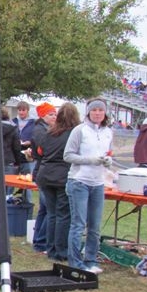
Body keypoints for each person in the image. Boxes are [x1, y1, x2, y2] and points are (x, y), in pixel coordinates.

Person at [63, 98, 113, 274]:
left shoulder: (108, 132)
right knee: (78, 224)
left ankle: (91, 259)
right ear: (89, 112)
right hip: (79, 181)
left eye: (100, 110)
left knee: (95, 225)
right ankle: (75, 262)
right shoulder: (80, 131)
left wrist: (108, 161)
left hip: (98, 182)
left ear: (105, 113)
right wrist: (90, 160)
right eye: (94, 110)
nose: (97, 113)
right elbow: (68, 155)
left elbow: (108, 152)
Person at [33, 102, 79, 261]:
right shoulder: (74, 133)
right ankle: (61, 251)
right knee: (63, 214)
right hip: (62, 176)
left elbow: (40, 151)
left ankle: (51, 248)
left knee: (52, 214)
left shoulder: (49, 132)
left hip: (45, 175)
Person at [30, 102, 57, 253]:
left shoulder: (45, 129)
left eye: (54, 114)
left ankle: (38, 241)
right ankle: (41, 240)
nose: (53, 117)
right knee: (49, 208)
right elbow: (43, 149)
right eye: (50, 114)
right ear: (42, 115)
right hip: (43, 170)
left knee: (44, 208)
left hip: (42, 170)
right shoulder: (40, 130)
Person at [12, 100, 36, 202]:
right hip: (15, 156)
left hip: (28, 156)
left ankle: (28, 203)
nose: (21, 112)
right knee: (11, 180)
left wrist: (29, 142)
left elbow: (36, 137)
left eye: (23, 110)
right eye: (19, 110)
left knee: (28, 182)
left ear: (27, 111)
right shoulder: (13, 121)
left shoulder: (33, 123)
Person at [1, 107, 23, 195]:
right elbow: (17, 147)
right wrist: (18, 162)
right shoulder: (13, 128)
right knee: (8, 191)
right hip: (9, 160)